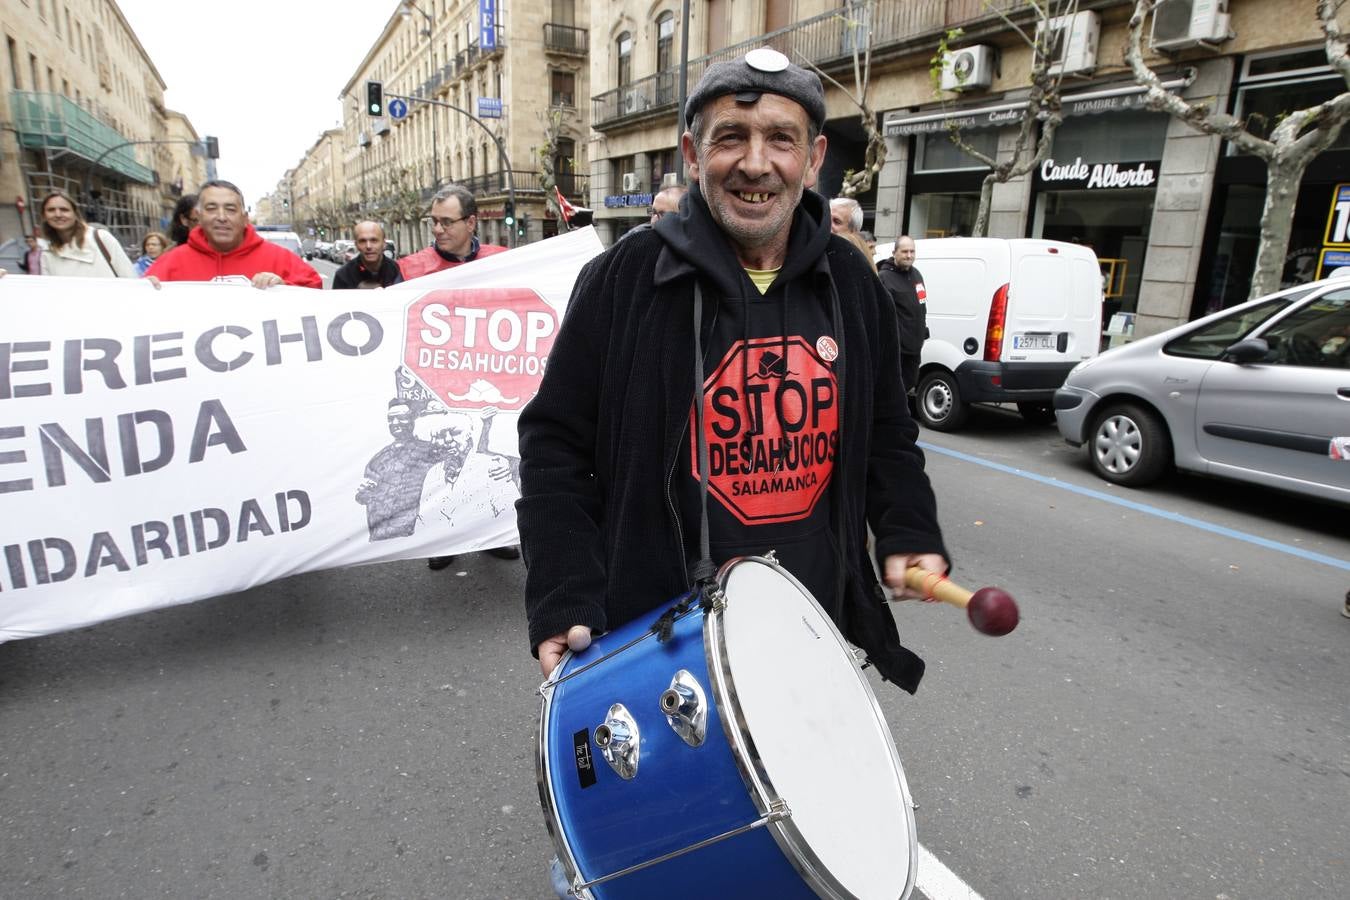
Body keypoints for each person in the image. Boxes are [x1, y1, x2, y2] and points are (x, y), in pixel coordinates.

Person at [519, 47, 949, 690]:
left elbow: (888, 433)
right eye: (731, 138)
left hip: (811, 626)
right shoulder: (624, 279)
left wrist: (907, 526)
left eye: (781, 139)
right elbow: (554, 443)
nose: (756, 162)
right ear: (693, 156)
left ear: (813, 159)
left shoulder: (853, 283)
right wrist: (564, 593)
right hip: (658, 640)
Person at [145, 181, 321, 288]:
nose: (221, 217)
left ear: (245, 218)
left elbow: (315, 291)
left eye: (230, 209)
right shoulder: (170, 263)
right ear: (199, 217)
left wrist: (285, 288)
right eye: (211, 208)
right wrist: (146, 292)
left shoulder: (280, 259)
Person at [398, 184, 506, 281]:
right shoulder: (407, 270)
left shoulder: (504, 261)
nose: (437, 230)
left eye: (447, 222)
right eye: (435, 221)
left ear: (470, 223)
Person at [36, 190, 137, 278]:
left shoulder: (101, 238)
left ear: (75, 213)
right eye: (51, 210)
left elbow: (130, 278)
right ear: (44, 215)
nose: (58, 214)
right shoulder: (47, 254)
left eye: (64, 210)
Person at [876, 235, 928, 395]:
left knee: (909, 384)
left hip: (914, 347)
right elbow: (881, 315)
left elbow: (921, 306)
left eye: (912, 251)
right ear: (894, 253)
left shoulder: (917, 275)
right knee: (892, 390)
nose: (909, 255)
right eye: (904, 251)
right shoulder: (884, 277)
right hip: (896, 350)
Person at [333, 220, 404, 289]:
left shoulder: (397, 270)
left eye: (374, 240)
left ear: (384, 244)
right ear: (356, 245)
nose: (368, 246)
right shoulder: (343, 275)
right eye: (362, 241)